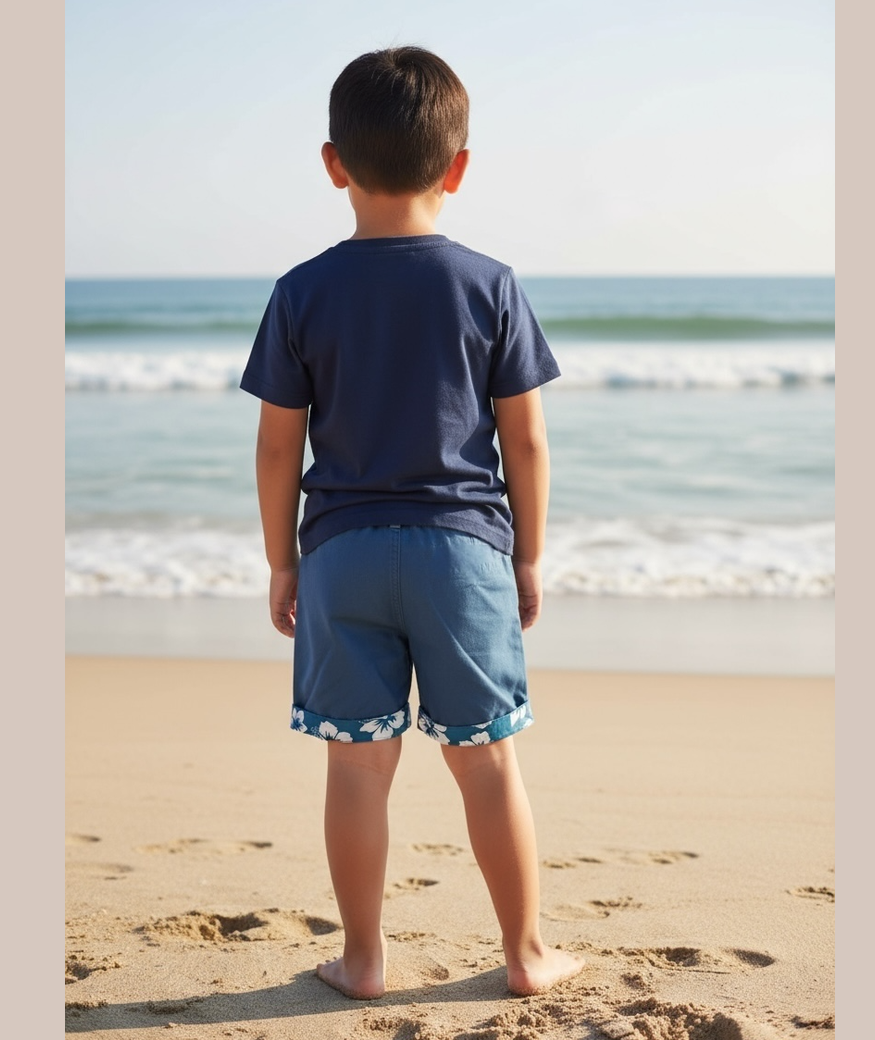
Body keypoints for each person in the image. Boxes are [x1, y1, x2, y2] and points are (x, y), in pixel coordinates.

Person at [240, 45, 585, 1001]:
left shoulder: (301, 291)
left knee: (357, 770)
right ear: (459, 168)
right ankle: (525, 955)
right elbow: (527, 446)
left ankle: (362, 960)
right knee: (487, 766)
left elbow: (278, 449)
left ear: (333, 163)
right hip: (461, 551)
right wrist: (527, 555)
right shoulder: (490, 284)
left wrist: (282, 563)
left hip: (343, 554)